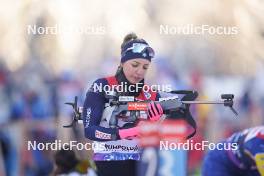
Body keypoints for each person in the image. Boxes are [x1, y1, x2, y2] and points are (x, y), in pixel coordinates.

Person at [82, 33, 164, 176]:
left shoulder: (151, 94)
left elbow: (160, 141)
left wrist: (154, 122)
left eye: (145, 67)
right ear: (122, 63)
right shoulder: (101, 86)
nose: (140, 71)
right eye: (135, 65)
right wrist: (126, 132)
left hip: (139, 164)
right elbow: (89, 130)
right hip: (107, 162)